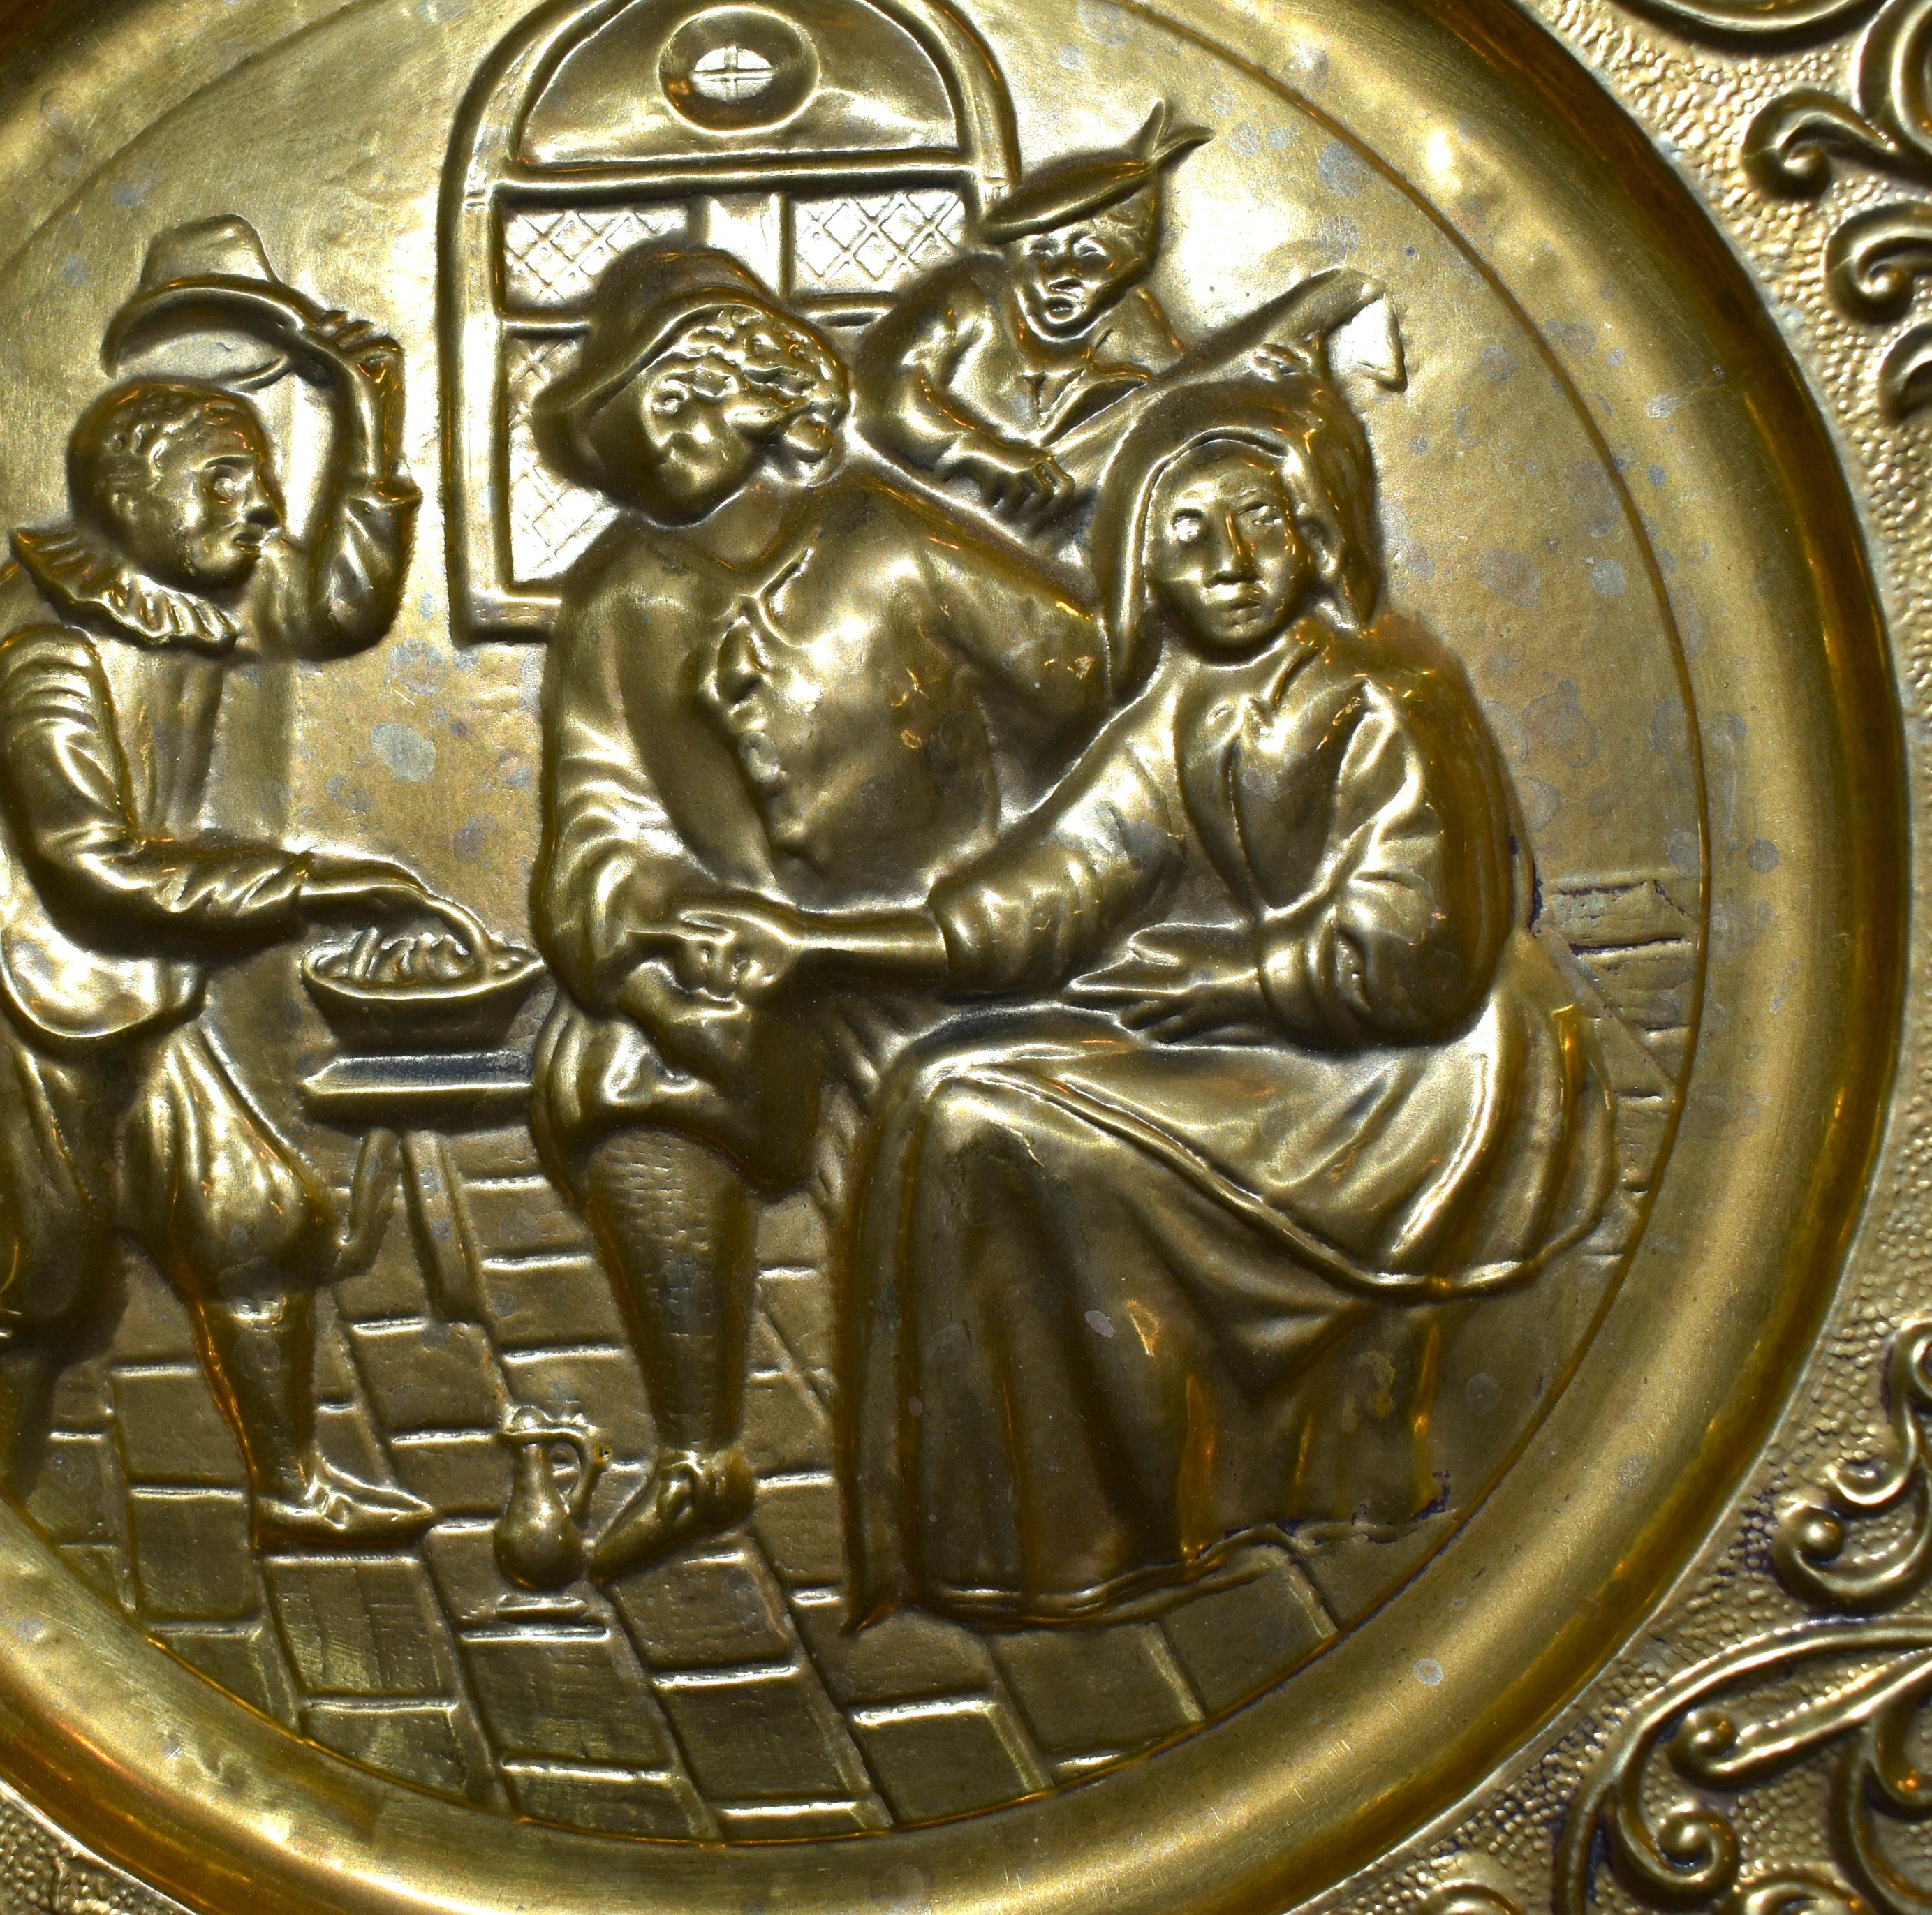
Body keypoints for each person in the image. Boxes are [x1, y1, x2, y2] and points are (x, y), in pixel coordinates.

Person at [681, 365, 1619, 1627]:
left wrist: (1240, 974)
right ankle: (1026, 1551)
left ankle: (1121, 1528)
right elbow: (1049, 892)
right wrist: (824, 944)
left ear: (1316, 537)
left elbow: (1422, 953)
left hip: (1426, 1081)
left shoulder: (1388, 698)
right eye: (1184, 532)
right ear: (1144, 567)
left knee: (993, 1122)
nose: (1226, 558)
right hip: (1271, 1035)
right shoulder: (1186, 705)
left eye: (1257, 520)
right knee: (938, 1093)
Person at [0, 304, 461, 1553]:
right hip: (42, 1001)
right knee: (24, 1288)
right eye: (227, 483)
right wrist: (314, 882)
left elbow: (336, 608)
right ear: (134, 495)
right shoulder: (45, 656)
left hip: (139, 995)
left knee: (252, 1220)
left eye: (258, 483)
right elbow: (97, 873)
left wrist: (370, 422)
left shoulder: (166, 598)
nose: (261, 511)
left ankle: (291, 1489)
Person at [526, 241, 1107, 1580]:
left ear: (777, 386)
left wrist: (1039, 882)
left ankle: (1000, 1458)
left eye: (698, 382)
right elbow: (595, 815)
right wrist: (661, 917)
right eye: (646, 402)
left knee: (976, 1135)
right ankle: (698, 1455)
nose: (672, 421)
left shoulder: (887, 537)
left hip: (944, 955)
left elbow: (1089, 691)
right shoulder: (615, 601)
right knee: (611, 1067)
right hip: (759, 978)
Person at [852, 103, 1207, 529]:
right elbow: (882, 392)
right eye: (1042, 251)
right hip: (929, 517)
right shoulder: (972, 293)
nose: (1062, 274)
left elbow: (1190, 404)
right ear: (1013, 257)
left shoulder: (1132, 321)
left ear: (1130, 263)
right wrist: (981, 452)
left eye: (1091, 255)